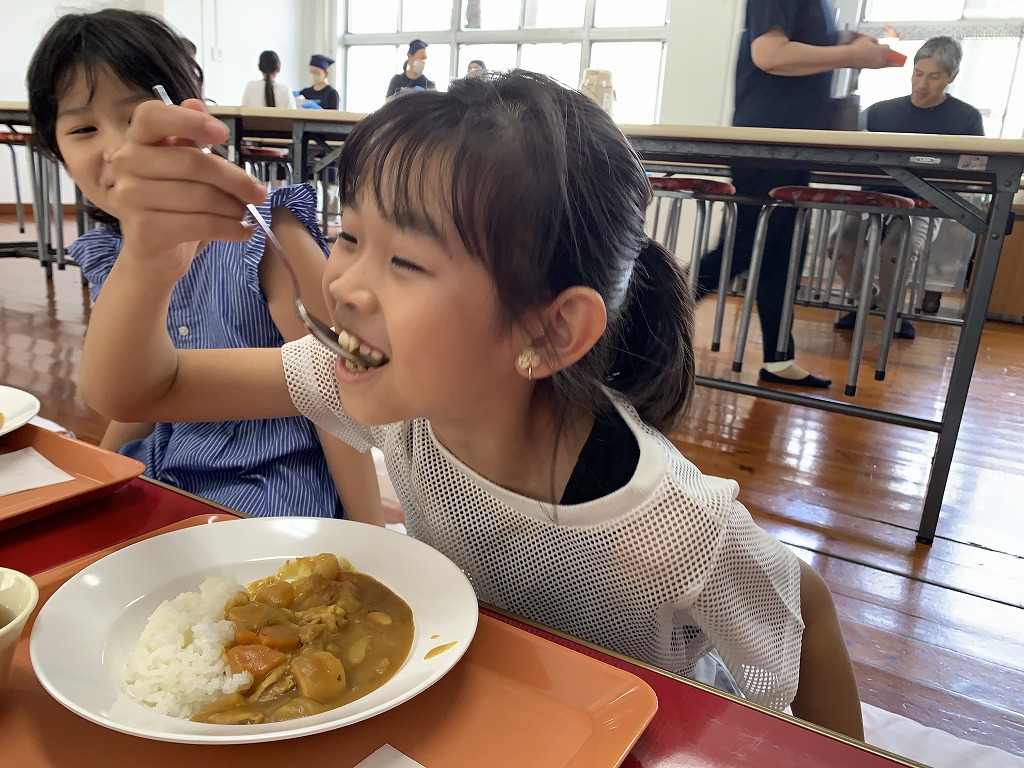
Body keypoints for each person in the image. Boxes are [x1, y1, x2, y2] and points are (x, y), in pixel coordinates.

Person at [77, 68, 864, 739]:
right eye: (349, 235)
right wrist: (150, 255)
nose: (342, 285)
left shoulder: (671, 531)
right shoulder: (395, 396)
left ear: (550, 332)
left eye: (406, 261)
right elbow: (140, 388)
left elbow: (811, 613)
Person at [26, 8, 383, 525]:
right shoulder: (110, 253)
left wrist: (371, 534)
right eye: (83, 128)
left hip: (270, 479)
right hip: (162, 468)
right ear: (55, 149)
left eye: (138, 117)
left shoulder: (265, 232)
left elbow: (336, 389)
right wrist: (97, 478)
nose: (118, 149)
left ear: (189, 114)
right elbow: (134, 392)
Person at [695, 0, 898, 388]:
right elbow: (769, 54)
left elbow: (787, 43)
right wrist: (850, 54)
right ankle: (641, 326)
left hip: (789, 143)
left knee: (783, 256)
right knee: (741, 250)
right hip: (768, 142)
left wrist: (841, 40)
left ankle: (779, 358)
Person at [832, 36, 984, 338]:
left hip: (925, 202)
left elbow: (975, 169)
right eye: (918, 73)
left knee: (897, 250)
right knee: (839, 245)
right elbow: (850, 153)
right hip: (872, 198)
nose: (922, 84)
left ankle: (891, 310)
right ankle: (864, 302)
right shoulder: (879, 112)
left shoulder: (967, 118)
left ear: (952, 77)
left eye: (934, 77)